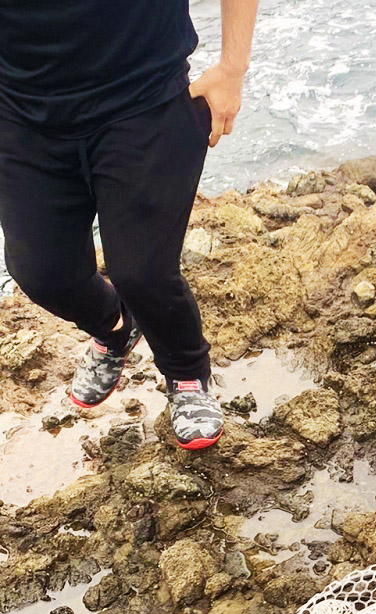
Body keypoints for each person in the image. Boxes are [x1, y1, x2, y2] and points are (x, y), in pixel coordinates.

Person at [0, 0, 259, 450]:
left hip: (145, 99)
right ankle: (115, 328)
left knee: (143, 272)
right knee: (41, 272)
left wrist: (232, 67)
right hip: (22, 114)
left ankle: (186, 372)